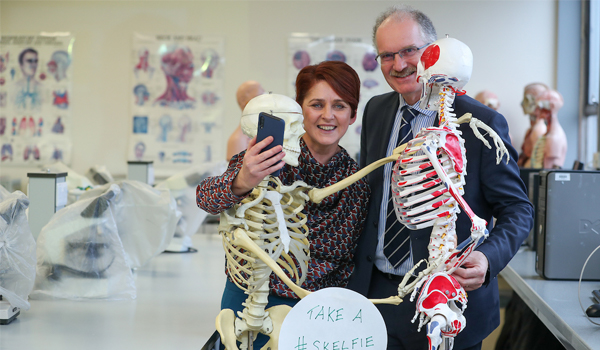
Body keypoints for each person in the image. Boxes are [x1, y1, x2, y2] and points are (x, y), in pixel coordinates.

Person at [347, 5, 533, 350]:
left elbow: (518, 210)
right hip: (376, 296)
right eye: (386, 55)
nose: (398, 64)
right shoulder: (376, 110)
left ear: (433, 52)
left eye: (409, 51)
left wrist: (489, 258)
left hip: (447, 298)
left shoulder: (481, 123)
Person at [197, 61, 370, 348]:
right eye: (316, 104)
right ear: (299, 110)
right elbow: (205, 197)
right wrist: (242, 180)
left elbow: (347, 263)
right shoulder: (265, 159)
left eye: (340, 106)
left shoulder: (357, 182)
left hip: (316, 313)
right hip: (248, 297)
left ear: (352, 115)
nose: (328, 116)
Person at [226, 81, 265, 160]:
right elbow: (235, 171)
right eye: (259, 97)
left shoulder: (261, 134)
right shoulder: (237, 140)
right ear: (245, 102)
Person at [530, 89, 567, 169]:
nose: (536, 112)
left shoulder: (554, 138)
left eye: (539, 107)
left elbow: (548, 171)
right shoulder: (547, 134)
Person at [518, 83, 548, 167]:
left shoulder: (539, 130)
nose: (523, 104)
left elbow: (535, 163)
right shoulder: (532, 130)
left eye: (528, 99)